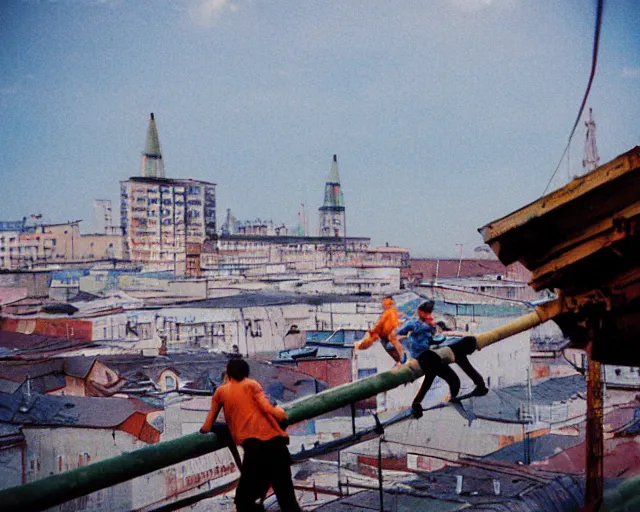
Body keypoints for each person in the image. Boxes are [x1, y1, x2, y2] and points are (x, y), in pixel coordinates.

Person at [200, 358, 301, 512]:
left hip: (256, 452)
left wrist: (218, 428)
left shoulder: (221, 392)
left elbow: (206, 427)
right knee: (287, 501)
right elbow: (270, 410)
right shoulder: (253, 386)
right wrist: (281, 415)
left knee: (243, 501)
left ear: (228, 375)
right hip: (278, 447)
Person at [394, 300, 488, 419]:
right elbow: (397, 335)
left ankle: (476, 385)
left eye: (430, 313)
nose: (430, 316)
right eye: (427, 313)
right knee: (439, 375)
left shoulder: (427, 326)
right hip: (424, 356)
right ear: (421, 312)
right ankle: (417, 402)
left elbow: (433, 339)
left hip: (431, 353)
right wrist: (405, 346)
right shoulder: (413, 325)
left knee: (452, 376)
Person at [353, 296, 406, 365]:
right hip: (386, 335)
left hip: (388, 335)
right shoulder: (392, 312)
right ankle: (399, 360)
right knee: (390, 347)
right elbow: (381, 324)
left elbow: (380, 324)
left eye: (385, 304)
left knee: (391, 346)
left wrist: (373, 331)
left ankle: (400, 359)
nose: (384, 306)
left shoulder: (388, 313)